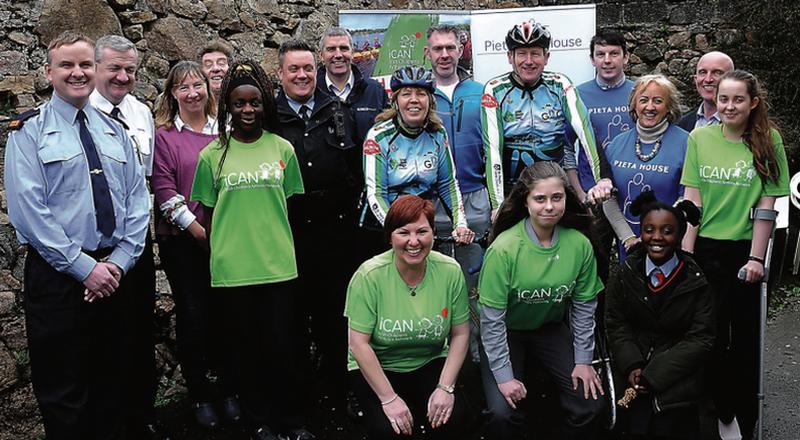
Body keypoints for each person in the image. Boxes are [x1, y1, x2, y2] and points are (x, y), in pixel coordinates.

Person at [5, 31, 149, 439]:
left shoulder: (115, 130)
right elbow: (29, 212)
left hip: (113, 276)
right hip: (60, 279)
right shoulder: (28, 132)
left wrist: (117, 263)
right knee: (63, 391)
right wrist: (85, 269)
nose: (78, 72)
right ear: (49, 72)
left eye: (85, 64)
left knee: (112, 385)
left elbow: (138, 202)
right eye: (67, 65)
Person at [190, 59, 315, 440]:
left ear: (265, 105)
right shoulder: (212, 156)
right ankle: (258, 422)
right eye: (239, 103)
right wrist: (222, 253)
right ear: (227, 106)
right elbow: (209, 216)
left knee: (283, 351)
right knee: (245, 354)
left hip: (278, 268)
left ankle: (291, 422)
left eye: (255, 102)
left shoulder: (283, 149)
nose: (248, 110)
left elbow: (289, 208)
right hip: (232, 271)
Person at [681, 70, 790, 440]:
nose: (729, 106)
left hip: (746, 249)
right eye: (723, 99)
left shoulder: (768, 140)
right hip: (706, 248)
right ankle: (718, 411)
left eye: (737, 99)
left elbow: (767, 203)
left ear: (753, 102)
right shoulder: (699, 137)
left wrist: (757, 259)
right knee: (706, 336)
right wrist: (685, 254)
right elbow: (692, 200)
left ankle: (745, 419)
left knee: (745, 340)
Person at [478, 161, 606, 440]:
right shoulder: (503, 249)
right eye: (540, 198)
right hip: (506, 332)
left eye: (556, 197)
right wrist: (504, 376)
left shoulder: (579, 244)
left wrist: (584, 360)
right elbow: (491, 321)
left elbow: (585, 308)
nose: (549, 206)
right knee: (502, 413)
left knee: (590, 404)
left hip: (548, 329)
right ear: (526, 201)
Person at [152, 60, 242, 430]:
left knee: (228, 315)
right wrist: (197, 230)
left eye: (198, 86)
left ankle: (231, 390)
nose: (192, 94)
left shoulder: (227, 131)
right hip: (185, 241)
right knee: (193, 316)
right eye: (183, 88)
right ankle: (201, 395)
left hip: (229, 237)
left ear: (208, 88)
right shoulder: (165, 136)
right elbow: (164, 188)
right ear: (173, 94)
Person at [275, 39, 361, 409]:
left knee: (336, 319)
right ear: (280, 74)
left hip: (336, 236)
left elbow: (356, 172)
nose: (302, 75)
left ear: (317, 70)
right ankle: (300, 398)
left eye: (308, 68)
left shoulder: (338, 113)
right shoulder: (269, 118)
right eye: (294, 69)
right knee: (291, 321)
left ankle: (343, 391)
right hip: (288, 236)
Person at [88, 34, 165, 440]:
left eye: (129, 70)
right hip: (93, 250)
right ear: (96, 67)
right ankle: (108, 421)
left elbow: (146, 181)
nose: (122, 77)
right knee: (100, 340)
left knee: (138, 333)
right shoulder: (82, 115)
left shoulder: (139, 112)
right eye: (114, 68)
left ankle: (141, 416)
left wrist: (132, 246)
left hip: (134, 243)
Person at [345, 195, 472, 439]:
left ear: (433, 233)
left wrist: (445, 388)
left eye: (422, 232)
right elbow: (358, 344)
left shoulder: (450, 271)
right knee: (389, 430)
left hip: (428, 358)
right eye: (404, 232)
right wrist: (389, 399)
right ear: (390, 236)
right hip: (379, 364)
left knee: (453, 420)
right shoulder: (369, 275)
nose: (414, 242)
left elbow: (460, 333)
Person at [605, 191, 714, 440]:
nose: (657, 237)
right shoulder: (626, 273)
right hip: (632, 366)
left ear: (680, 235)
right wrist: (632, 363)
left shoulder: (695, 280)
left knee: (668, 423)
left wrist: (656, 375)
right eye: (649, 229)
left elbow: (701, 337)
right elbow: (616, 322)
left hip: (676, 372)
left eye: (667, 231)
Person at [481, 19, 608, 219]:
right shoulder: (495, 89)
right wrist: (497, 204)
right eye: (521, 53)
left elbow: (585, 131)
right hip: (513, 190)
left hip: (554, 188)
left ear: (546, 57)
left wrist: (601, 179)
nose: (528, 61)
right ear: (509, 57)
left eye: (535, 53)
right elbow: (492, 149)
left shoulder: (559, 84)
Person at [424, 23, 490, 362]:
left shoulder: (480, 91)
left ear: (461, 49)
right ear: (428, 53)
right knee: (432, 282)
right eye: (438, 49)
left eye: (450, 47)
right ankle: (436, 359)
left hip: (475, 196)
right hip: (432, 203)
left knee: (473, 284)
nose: (445, 54)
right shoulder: (417, 93)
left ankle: (476, 359)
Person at [361, 66, 474, 255]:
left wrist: (460, 223)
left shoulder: (437, 134)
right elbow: (376, 193)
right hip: (385, 222)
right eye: (406, 94)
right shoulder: (379, 136)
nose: (414, 100)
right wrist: (399, 231)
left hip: (421, 221)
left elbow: (448, 184)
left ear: (430, 102)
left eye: (421, 94)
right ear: (395, 101)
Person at [586, 75, 689, 262]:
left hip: (669, 245)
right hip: (629, 248)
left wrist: (657, 235)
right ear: (634, 105)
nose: (650, 107)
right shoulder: (616, 144)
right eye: (643, 100)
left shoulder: (687, 143)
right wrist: (629, 239)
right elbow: (609, 198)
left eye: (658, 101)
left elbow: (687, 198)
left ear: (669, 107)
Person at [571, 30, 635, 199]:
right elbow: (566, 147)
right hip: (591, 191)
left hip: (633, 186)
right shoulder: (577, 95)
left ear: (626, 57)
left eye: (614, 54)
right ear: (592, 59)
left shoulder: (640, 93)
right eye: (600, 54)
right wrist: (580, 193)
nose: (607, 60)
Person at [316, 27, 389, 143]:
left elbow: (389, 136)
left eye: (344, 48)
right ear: (321, 55)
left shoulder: (375, 91)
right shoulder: (312, 92)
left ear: (352, 52)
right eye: (331, 49)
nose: (338, 55)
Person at [677, 51, 734, 132]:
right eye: (703, 72)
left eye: (717, 73)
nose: (708, 79)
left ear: (733, 80)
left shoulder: (745, 125)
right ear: (695, 79)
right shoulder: (682, 124)